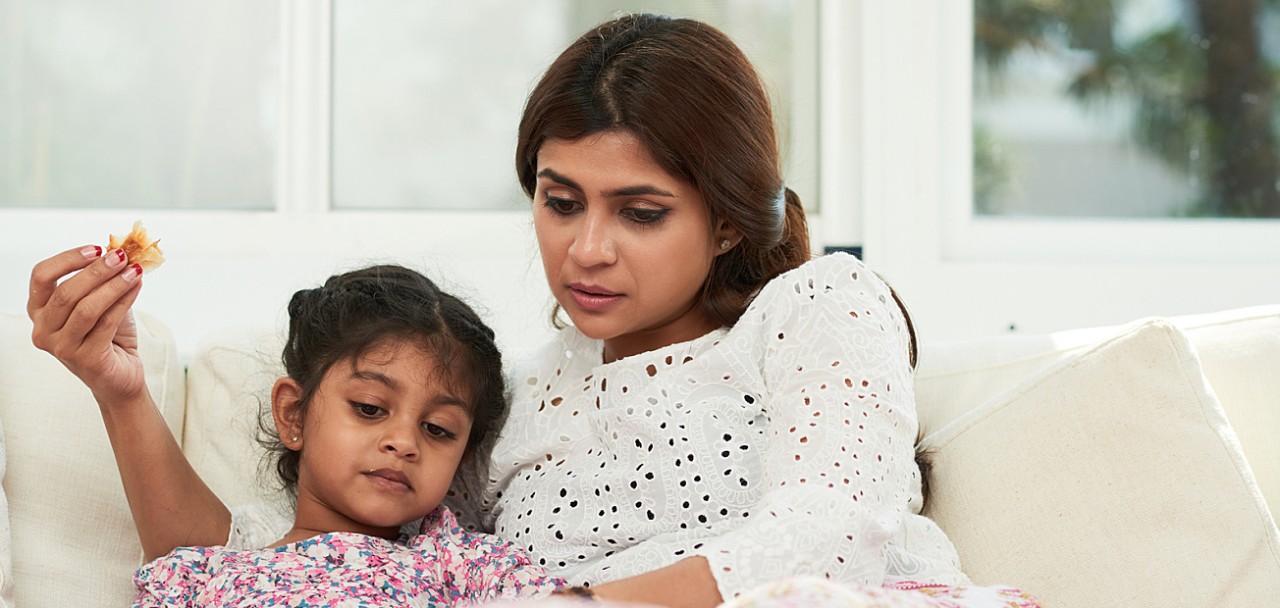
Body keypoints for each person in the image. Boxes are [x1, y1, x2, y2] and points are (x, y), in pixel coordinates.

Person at [29, 13, 1040, 608]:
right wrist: (120, 393)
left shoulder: (815, 304)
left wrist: (562, 605)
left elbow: (835, 532)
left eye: (639, 213)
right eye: (560, 202)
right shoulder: (515, 395)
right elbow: (285, 568)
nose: (584, 248)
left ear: (727, 223)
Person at [29, 260, 562, 606]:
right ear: (293, 415)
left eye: (437, 429)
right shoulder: (202, 577)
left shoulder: (465, 564)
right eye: (371, 408)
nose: (405, 442)